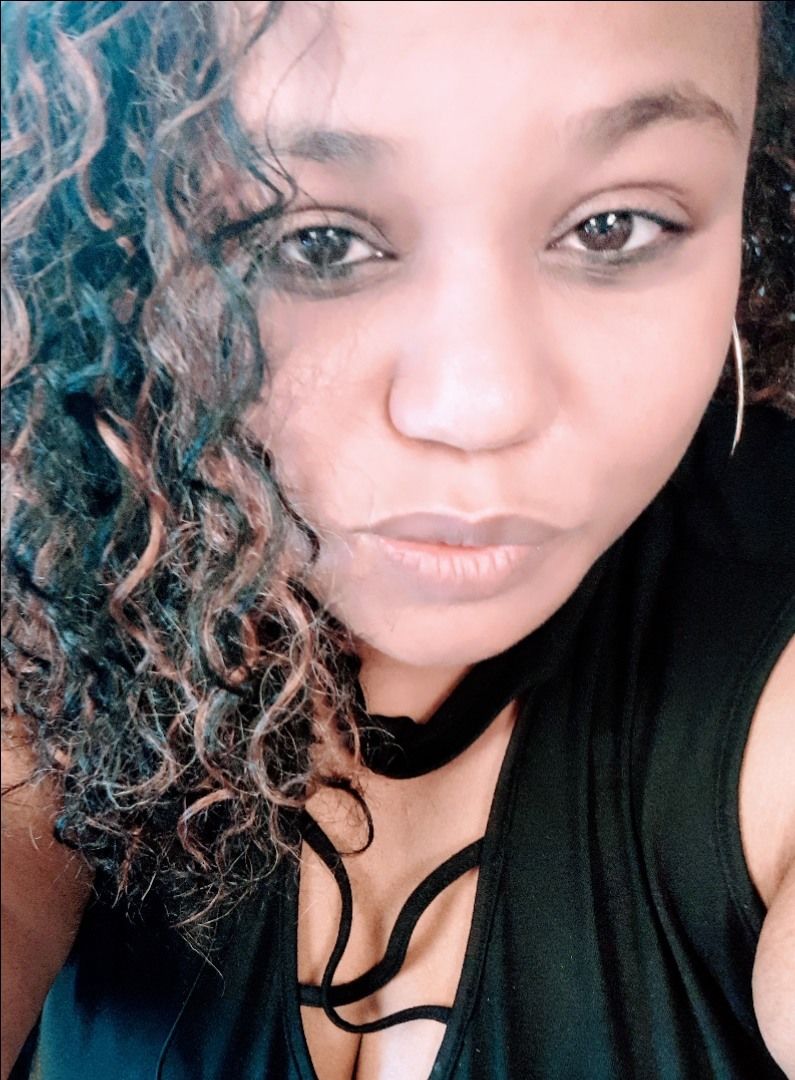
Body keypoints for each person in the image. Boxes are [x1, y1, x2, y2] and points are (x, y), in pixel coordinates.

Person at [1, 1, 793, 1077]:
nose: (479, 407)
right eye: (316, 240)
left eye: (615, 225)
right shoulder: (50, 581)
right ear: (112, 241)